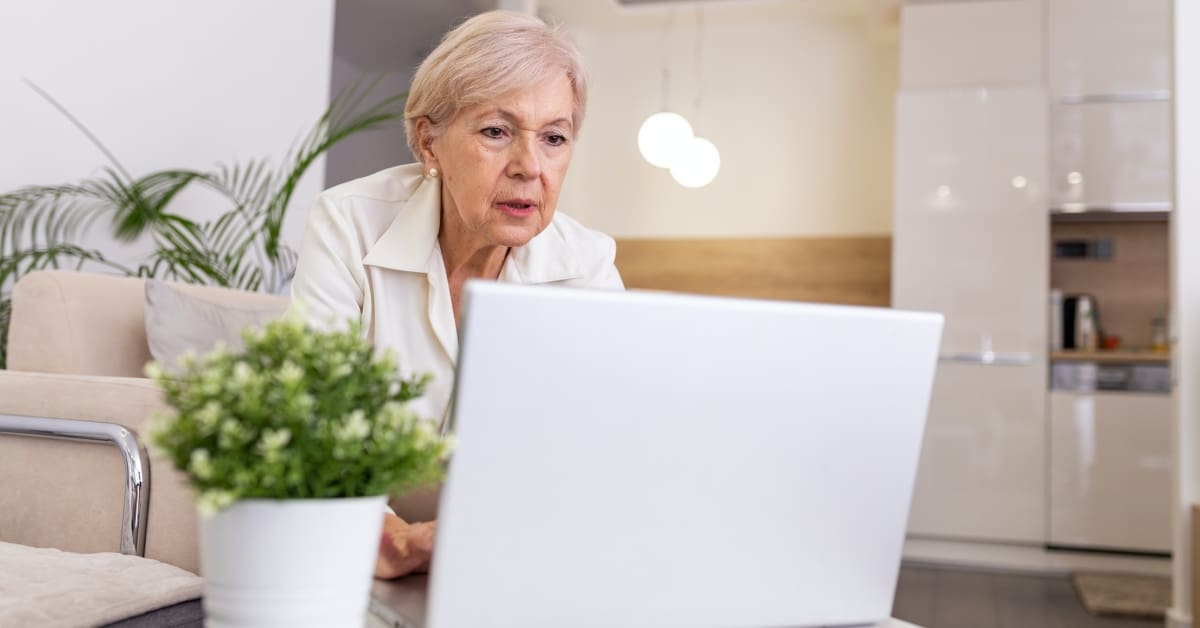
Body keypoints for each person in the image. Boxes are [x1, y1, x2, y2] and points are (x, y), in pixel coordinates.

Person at [288, 10, 623, 578]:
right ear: (429, 142)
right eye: (496, 131)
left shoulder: (587, 263)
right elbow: (309, 428)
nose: (530, 167)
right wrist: (389, 540)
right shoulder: (347, 224)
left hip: (515, 557)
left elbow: (609, 445)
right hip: (349, 551)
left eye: (554, 138)